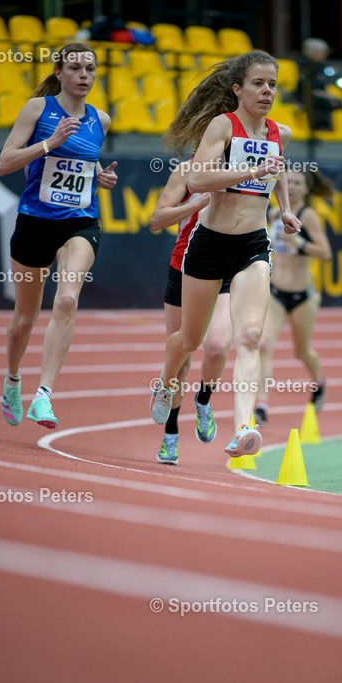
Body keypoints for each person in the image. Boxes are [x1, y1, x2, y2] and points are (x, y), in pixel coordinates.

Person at [149, 50, 302, 458]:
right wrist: (249, 172)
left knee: (248, 337)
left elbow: (278, 166)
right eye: (258, 83)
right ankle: (167, 382)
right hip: (210, 244)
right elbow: (197, 177)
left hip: (252, 246)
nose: (267, 90)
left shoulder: (278, 132)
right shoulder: (223, 126)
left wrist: (285, 209)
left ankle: (243, 428)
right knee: (188, 340)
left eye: (272, 84)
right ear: (238, 88)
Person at [0, 42, 117, 430]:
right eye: (76, 68)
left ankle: (43, 396)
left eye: (91, 69)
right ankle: (13, 378)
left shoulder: (102, 118)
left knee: (66, 299)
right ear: (60, 73)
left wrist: (100, 176)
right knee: (25, 318)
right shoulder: (39, 109)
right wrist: (49, 143)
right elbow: (3, 164)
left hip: (80, 221)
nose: (84, 75)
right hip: (34, 221)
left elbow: (84, 159)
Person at [149, 162, 233, 464]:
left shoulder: (245, 166)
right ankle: (170, 433)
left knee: (217, 347)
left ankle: (204, 400)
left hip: (226, 270)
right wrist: (197, 203)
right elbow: (156, 220)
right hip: (184, 268)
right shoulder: (187, 171)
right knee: (182, 359)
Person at [254, 168, 334, 424]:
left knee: (301, 352)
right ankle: (262, 404)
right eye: (290, 182)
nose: (294, 187)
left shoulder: (308, 216)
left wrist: (300, 244)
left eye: (299, 183)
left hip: (303, 297)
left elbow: (326, 253)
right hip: (275, 291)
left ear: (307, 188)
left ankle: (319, 382)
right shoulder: (275, 213)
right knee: (264, 345)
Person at [296, 38, 342, 132]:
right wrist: (326, 96)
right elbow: (306, 88)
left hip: (319, 94)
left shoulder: (321, 66)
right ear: (312, 52)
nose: (325, 56)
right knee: (321, 102)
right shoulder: (304, 66)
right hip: (305, 96)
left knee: (338, 102)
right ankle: (320, 128)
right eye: (323, 52)